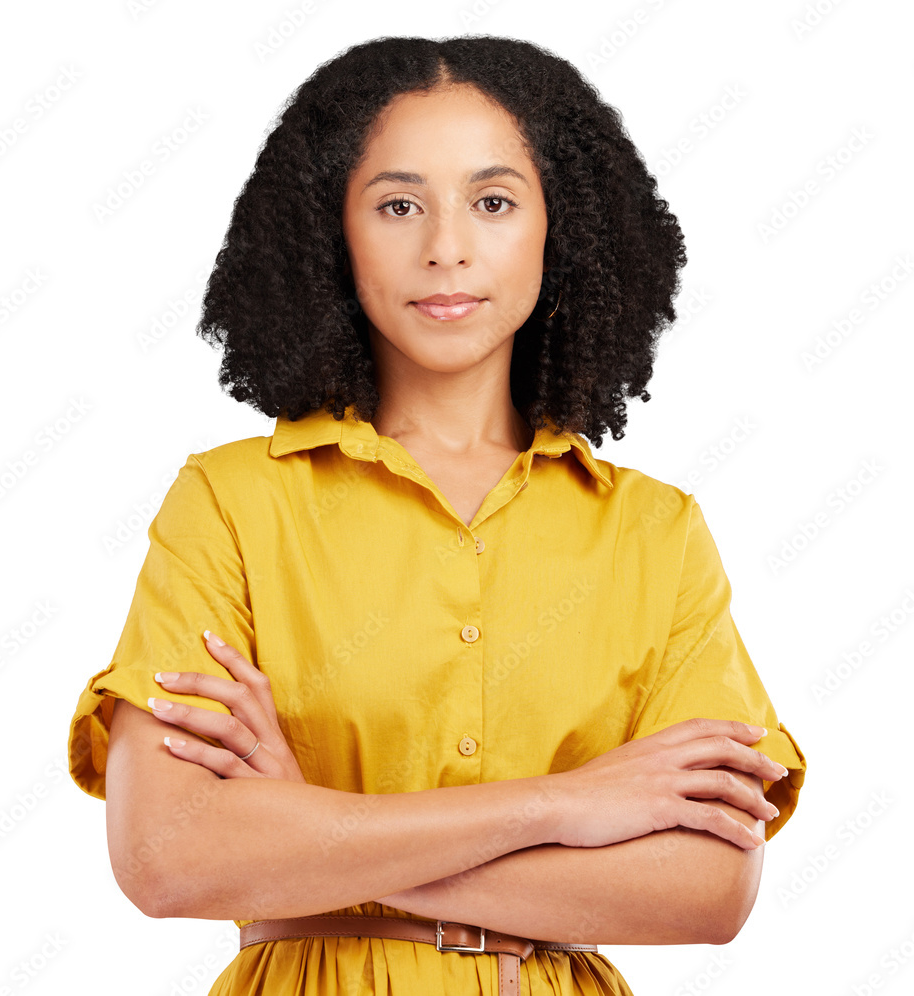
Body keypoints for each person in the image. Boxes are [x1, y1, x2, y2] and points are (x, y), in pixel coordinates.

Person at [67, 34, 806, 996]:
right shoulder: (232, 502)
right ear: (332, 230)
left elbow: (706, 891)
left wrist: (312, 831)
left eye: (493, 202)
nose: (446, 247)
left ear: (561, 229)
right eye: (399, 204)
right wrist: (569, 806)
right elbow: (167, 854)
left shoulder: (655, 535)